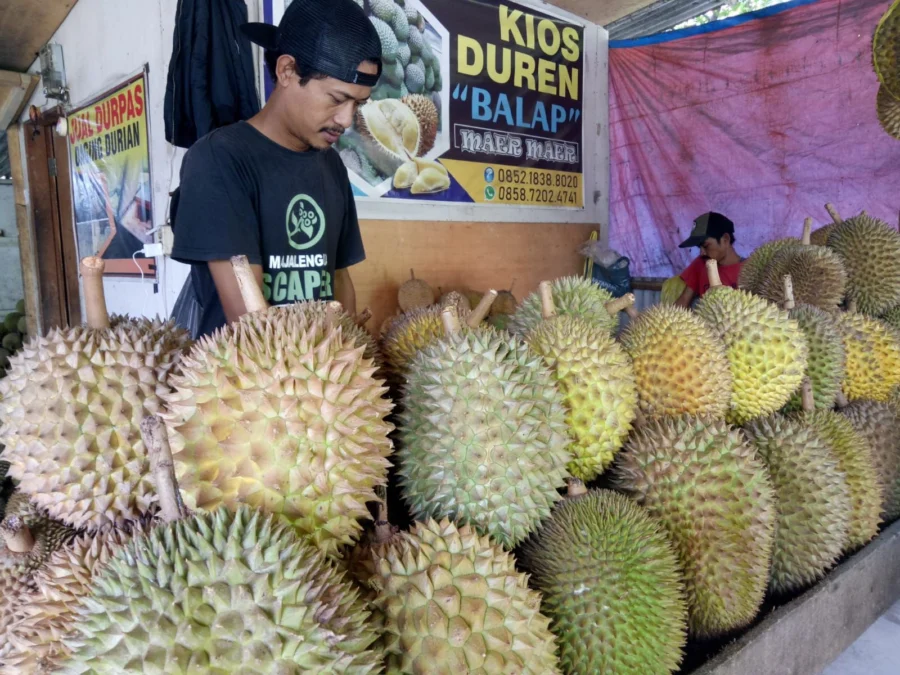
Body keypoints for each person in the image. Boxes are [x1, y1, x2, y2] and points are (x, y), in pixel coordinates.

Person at [170, 0, 381, 337]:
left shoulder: (331, 166)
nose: (346, 120)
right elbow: (248, 319)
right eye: (337, 98)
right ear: (286, 71)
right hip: (243, 378)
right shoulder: (219, 159)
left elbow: (339, 278)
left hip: (323, 377)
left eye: (358, 104)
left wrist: (346, 356)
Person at [674, 212, 743, 308]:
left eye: (706, 246)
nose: (702, 252)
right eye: (699, 247)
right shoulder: (700, 263)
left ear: (725, 240)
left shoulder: (748, 270)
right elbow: (684, 300)